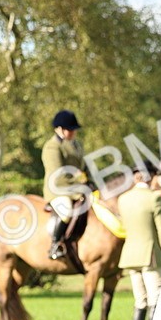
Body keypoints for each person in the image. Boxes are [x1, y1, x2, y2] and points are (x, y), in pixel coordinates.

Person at [118, 163, 161, 320]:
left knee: (139, 299)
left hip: (130, 255)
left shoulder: (123, 199)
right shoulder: (154, 198)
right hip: (150, 254)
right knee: (155, 299)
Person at [42, 110, 88, 260]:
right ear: (59, 129)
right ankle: (55, 245)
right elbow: (58, 175)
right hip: (57, 189)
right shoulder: (52, 147)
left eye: (74, 129)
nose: (73, 132)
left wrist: (91, 181)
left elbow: (84, 167)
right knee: (66, 209)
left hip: (76, 186)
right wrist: (80, 183)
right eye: (70, 129)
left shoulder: (76, 145)